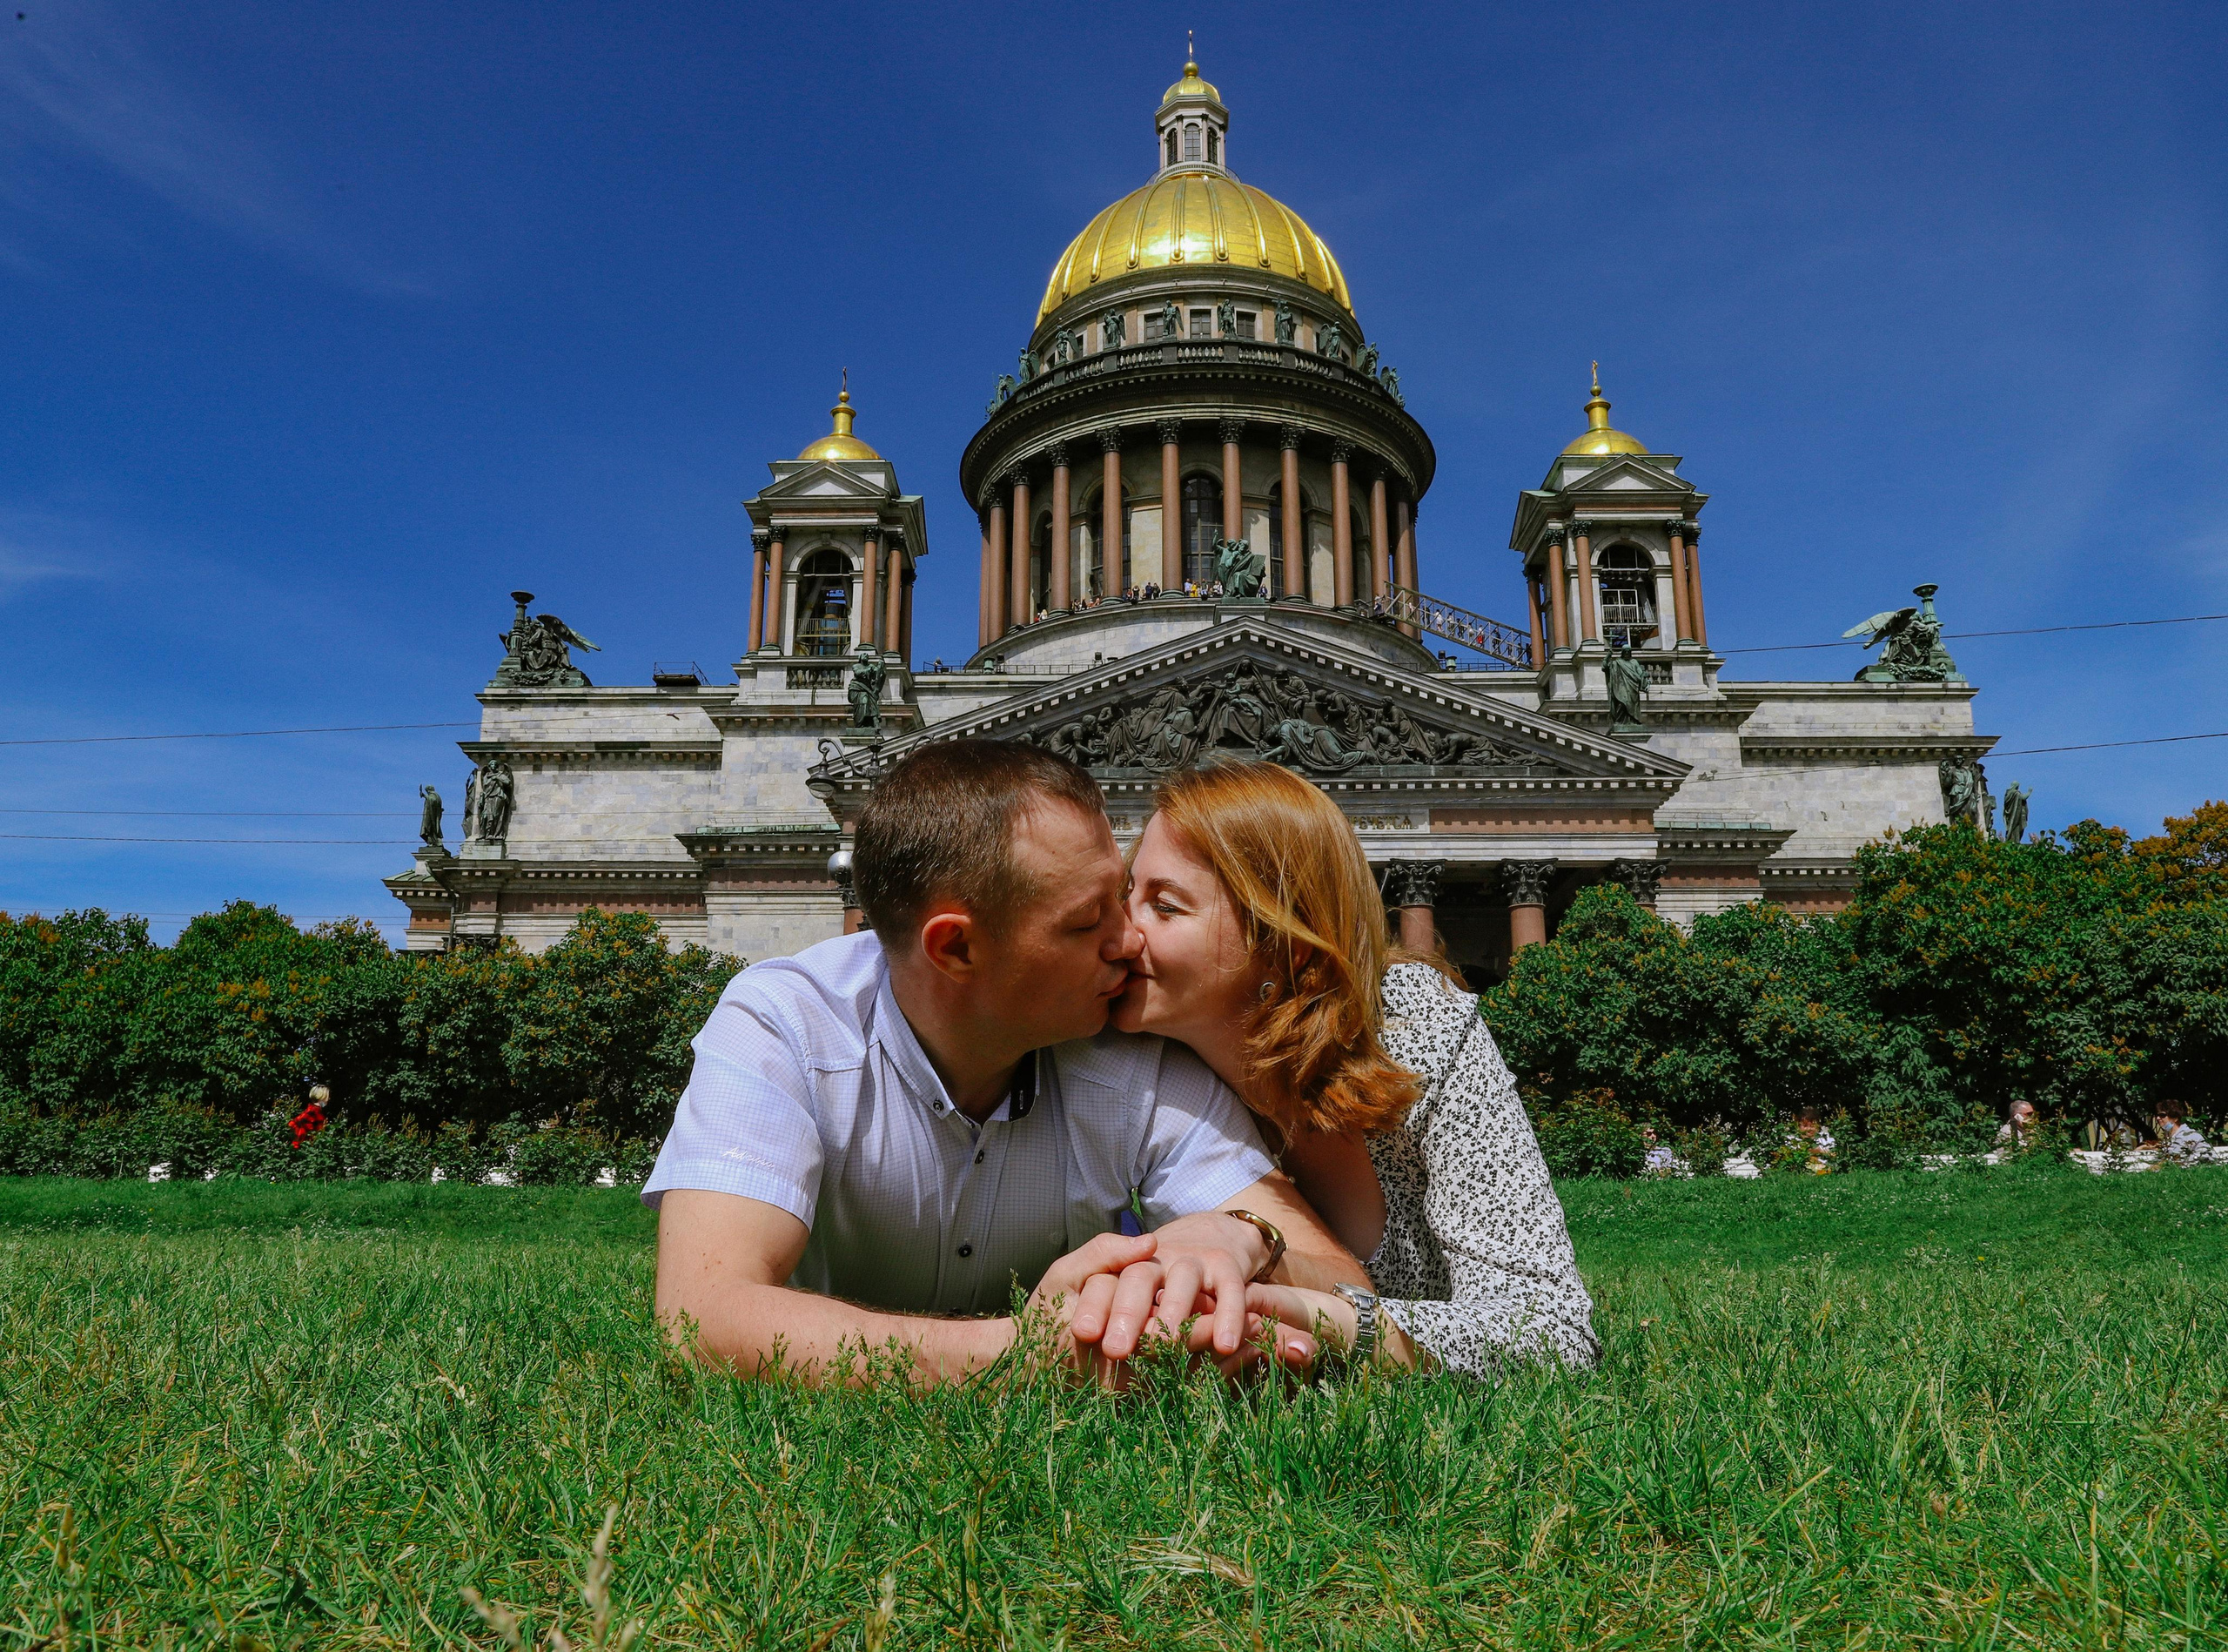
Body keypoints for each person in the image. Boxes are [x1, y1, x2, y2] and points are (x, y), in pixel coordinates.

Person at [648, 741, 1364, 1387]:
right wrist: (1028, 1354)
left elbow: (1338, 1284)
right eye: (1089, 922)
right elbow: (703, 1318)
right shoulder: (787, 1027)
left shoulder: (1138, 1054)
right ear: (955, 949)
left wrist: (1237, 1246)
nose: (1131, 942)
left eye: (1126, 897)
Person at [1111, 760, 1600, 1375]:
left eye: (1165, 906)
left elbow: (1552, 1329)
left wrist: (1336, 1324)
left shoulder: (1417, 1030)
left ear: (1284, 941)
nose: (1121, 934)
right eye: (1127, 892)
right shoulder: (1115, 1061)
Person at [2153, 1100, 2211, 1165]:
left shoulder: (2188, 1135)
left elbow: (2176, 1160)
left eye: (2162, 1115)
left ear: (2175, 1118)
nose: (2158, 1118)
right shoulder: (2170, 1138)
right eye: (2157, 1115)